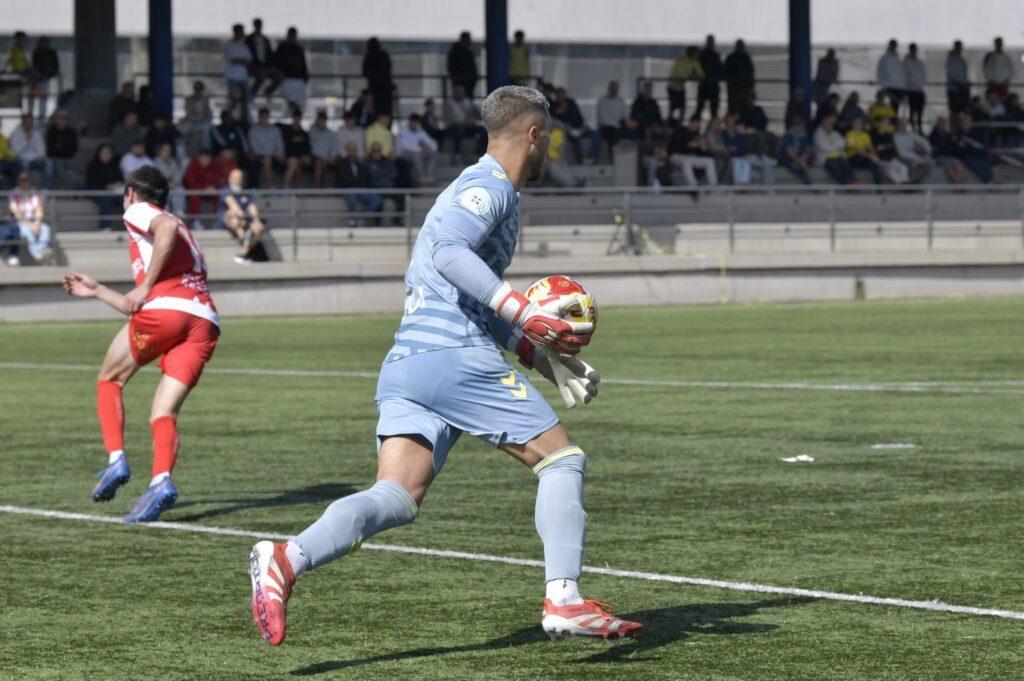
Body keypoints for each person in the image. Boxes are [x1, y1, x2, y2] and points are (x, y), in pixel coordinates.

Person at [247, 84, 640, 646]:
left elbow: (465, 292)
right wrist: (524, 310)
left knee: (396, 497)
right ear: (534, 135)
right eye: (548, 138)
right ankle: (565, 599)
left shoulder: (473, 186)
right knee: (562, 461)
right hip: (453, 355)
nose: (549, 149)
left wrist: (542, 359)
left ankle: (285, 559)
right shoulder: (489, 187)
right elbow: (448, 255)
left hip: (410, 361)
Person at [62, 166, 219, 523]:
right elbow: (140, 303)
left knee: (110, 379)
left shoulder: (141, 211)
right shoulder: (184, 229)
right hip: (204, 321)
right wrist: (98, 290)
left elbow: (164, 232)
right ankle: (161, 481)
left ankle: (116, 459)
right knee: (163, 411)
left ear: (132, 192)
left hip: (167, 311)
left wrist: (146, 285)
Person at [215, 168, 266, 264]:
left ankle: (243, 253)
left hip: (244, 221)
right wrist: (245, 221)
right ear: (229, 178)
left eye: (239, 178)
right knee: (233, 215)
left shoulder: (246, 191)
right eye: (235, 177)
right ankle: (245, 238)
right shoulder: (225, 190)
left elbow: (252, 207)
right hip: (230, 221)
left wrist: (256, 221)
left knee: (260, 227)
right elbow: (234, 206)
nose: (237, 180)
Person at [8, 171, 53, 264]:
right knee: (28, 231)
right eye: (22, 180)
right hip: (19, 222)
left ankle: (42, 251)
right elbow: (16, 213)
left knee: (45, 228)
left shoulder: (35, 192)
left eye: (26, 180)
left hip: (33, 220)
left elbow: (39, 209)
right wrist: (31, 225)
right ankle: (38, 253)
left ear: (29, 181)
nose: (24, 182)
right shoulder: (13, 193)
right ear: (18, 181)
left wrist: (37, 223)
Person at [336, 142, 382, 225]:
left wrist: (362, 165)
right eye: (350, 150)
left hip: (360, 188)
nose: (353, 152)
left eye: (354, 150)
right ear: (346, 151)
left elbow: (364, 178)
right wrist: (357, 180)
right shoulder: (341, 163)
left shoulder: (360, 163)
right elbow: (345, 179)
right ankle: (352, 220)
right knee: (352, 197)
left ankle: (363, 218)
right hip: (348, 188)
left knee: (377, 199)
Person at [551, 87, 601, 164]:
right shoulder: (553, 105)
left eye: (562, 94)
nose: (561, 97)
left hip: (580, 128)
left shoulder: (571, 102)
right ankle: (581, 161)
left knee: (596, 134)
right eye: (559, 95)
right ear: (556, 96)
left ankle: (591, 158)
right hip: (567, 131)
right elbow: (556, 118)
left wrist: (583, 127)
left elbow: (579, 117)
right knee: (575, 139)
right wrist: (567, 127)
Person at [667, 116, 718, 187]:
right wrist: (698, 144)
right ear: (691, 122)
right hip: (675, 156)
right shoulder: (681, 130)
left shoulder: (696, 134)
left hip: (688, 157)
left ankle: (713, 186)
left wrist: (702, 145)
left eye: (698, 124)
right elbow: (687, 144)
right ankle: (693, 185)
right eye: (695, 123)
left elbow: (699, 150)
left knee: (709, 161)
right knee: (687, 161)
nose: (696, 126)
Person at [444, 85, 487, 161]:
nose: (461, 94)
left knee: (484, 130)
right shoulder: (449, 104)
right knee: (459, 128)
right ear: (455, 93)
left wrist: (473, 118)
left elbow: (474, 112)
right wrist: (466, 121)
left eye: (462, 92)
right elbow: (451, 120)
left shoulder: (466, 101)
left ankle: (478, 153)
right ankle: (456, 154)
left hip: (466, 126)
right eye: (459, 92)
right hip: (453, 127)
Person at [85, 144, 123, 229]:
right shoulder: (92, 165)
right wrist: (106, 186)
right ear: (99, 154)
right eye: (104, 153)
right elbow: (91, 182)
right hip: (97, 191)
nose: (106, 155)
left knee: (126, 199)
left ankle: (132, 228)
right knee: (106, 198)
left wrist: (116, 185)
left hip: (114, 191)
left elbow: (120, 179)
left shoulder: (115, 165)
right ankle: (105, 227)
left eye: (108, 153)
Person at [9, 113, 52, 189]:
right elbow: (14, 152)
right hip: (20, 161)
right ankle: (15, 192)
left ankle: (46, 192)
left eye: (30, 123)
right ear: (23, 123)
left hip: (34, 161)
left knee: (48, 163)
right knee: (14, 165)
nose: (28, 125)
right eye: (26, 123)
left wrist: (40, 156)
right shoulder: (16, 134)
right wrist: (25, 140)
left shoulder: (36, 134)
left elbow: (41, 150)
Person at [365, 141, 401, 225]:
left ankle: (396, 222)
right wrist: (382, 173)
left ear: (381, 151)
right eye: (374, 150)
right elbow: (370, 175)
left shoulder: (388, 161)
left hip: (389, 190)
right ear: (371, 151)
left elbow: (394, 174)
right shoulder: (368, 162)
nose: (376, 152)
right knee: (379, 201)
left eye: (378, 150)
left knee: (401, 198)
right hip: (375, 191)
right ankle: (378, 225)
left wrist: (378, 173)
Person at [396, 114, 439, 185]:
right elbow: (406, 146)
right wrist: (421, 150)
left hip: (418, 153)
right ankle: (421, 177)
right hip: (402, 154)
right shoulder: (403, 131)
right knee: (416, 154)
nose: (416, 125)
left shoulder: (420, 131)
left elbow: (433, 144)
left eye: (417, 123)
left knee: (433, 153)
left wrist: (430, 150)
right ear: (410, 122)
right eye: (414, 123)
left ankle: (429, 176)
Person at [248, 107, 286, 188]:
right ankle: (270, 185)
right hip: (259, 156)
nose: (264, 119)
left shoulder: (275, 130)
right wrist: (271, 153)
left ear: (268, 117)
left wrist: (280, 153)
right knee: (267, 159)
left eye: (266, 117)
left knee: (291, 160)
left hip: (275, 156)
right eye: (262, 117)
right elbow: (255, 149)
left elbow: (280, 144)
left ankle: (285, 186)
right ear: (259, 117)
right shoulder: (253, 131)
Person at [182, 150, 221, 226]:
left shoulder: (213, 167)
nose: (206, 160)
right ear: (199, 158)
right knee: (195, 195)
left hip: (209, 192)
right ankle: (196, 221)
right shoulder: (193, 166)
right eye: (203, 158)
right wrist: (203, 189)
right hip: (196, 191)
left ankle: (217, 219)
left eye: (208, 158)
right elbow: (189, 182)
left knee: (218, 194)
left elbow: (216, 180)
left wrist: (212, 187)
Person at [596, 81, 632, 161]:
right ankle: (613, 159)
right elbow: (603, 118)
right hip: (606, 127)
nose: (614, 90)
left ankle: (628, 159)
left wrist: (627, 123)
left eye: (616, 89)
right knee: (613, 134)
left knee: (633, 133)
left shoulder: (621, 100)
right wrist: (616, 125)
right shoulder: (603, 100)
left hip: (619, 126)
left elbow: (625, 115)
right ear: (609, 89)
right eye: (612, 88)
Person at [276, 27, 309, 112]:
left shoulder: (299, 49)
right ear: (287, 35)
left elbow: (303, 64)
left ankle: (297, 115)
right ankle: (291, 114)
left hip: (298, 79)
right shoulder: (282, 48)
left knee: (301, 103)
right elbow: (277, 62)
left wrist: (305, 77)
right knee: (289, 100)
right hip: (287, 78)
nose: (292, 37)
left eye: (294, 35)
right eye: (291, 35)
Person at [667, 46, 703, 122]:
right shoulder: (681, 60)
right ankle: (670, 125)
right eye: (696, 54)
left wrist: (697, 76)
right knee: (672, 108)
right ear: (691, 53)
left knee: (682, 108)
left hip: (681, 88)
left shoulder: (694, 61)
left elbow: (701, 74)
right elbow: (681, 75)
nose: (697, 56)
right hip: (672, 87)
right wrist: (692, 76)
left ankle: (680, 125)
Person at [813, 115, 853, 184]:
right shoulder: (818, 133)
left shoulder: (835, 133)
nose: (829, 125)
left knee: (846, 164)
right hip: (825, 157)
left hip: (837, 155)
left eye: (831, 123)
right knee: (835, 168)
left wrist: (833, 146)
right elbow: (824, 148)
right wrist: (836, 146)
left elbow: (843, 143)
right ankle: (846, 184)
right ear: (823, 123)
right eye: (827, 123)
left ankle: (852, 182)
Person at [45, 108, 79, 189]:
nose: (64, 120)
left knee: (74, 166)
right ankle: (72, 190)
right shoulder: (51, 131)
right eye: (61, 117)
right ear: (56, 119)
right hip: (55, 159)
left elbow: (74, 148)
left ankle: (76, 186)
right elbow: (51, 150)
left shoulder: (71, 132)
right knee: (59, 165)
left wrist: (61, 147)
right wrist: (63, 147)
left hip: (69, 158)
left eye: (66, 118)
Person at [246, 18, 281, 97]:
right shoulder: (249, 39)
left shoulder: (265, 39)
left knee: (279, 75)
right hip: (254, 65)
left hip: (265, 65)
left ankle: (268, 91)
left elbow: (270, 53)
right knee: (261, 76)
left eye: (260, 25)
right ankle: (251, 94)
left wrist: (271, 65)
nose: (259, 27)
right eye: (257, 25)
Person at [954, 115, 993, 184]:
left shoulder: (976, 133)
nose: (966, 124)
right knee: (975, 162)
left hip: (977, 155)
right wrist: (960, 146)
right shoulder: (958, 134)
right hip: (965, 156)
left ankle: (990, 180)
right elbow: (955, 149)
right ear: (961, 123)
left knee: (984, 159)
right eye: (964, 122)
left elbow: (982, 146)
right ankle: (988, 181)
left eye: (968, 122)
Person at [893, 118, 933, 183]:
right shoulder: (895, 136)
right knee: (913, 164)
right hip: (902, 158)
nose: (903, 127)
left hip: (915, 156)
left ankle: (917, 182)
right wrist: (919, 160)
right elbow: (902, 153)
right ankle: (909, 184)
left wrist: (928, 154)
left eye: (905, 125)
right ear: (898, 126)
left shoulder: (911, 134)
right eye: (901, 125)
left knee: (931, 163)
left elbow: (925, 142)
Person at [279, 108, 312, 188]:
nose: (297, 120)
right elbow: (284, 147)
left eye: (299, 118)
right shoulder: (286, 132)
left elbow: (307, 148)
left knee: (298, 162)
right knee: (295, 162)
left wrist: (306, 155)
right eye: (295, 118)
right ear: (293, 118)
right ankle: (285, 186)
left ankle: (298, 187)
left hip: (300, 157)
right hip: (288, 157)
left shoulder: (304, 133)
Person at [870, 118, 909, 184]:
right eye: (885, 123)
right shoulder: (873, 134)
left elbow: (892, 148)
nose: (887, 125)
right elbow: (875, 149)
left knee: (903, 167)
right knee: (891, 171)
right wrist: (884, 147)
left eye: (888, 124)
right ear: (880, 124)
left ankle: (906, 183)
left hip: (890, 159)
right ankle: (903, 186)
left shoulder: (888, 135)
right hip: (880, 160)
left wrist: (883, 147)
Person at [928, 116, 966, 183]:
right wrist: (944, 148)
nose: (943, 125)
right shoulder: (933, 135)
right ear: (938, 124)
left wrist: (955, 143)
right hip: (939, 157)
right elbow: (935, 149)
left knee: (960, 164)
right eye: (941, 123)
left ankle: (957, 181)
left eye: (944, 123)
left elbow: (952, 148)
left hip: (949, 156)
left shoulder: (948, 135)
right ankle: (957, 183)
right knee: (947, 165)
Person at [844, 116, 882, 184]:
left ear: (862, 124)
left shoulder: (865, 135)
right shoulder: (849, 134)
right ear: (852, 124)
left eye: (859, 123)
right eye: (856, 123)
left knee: (875, 165)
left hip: (864, 158)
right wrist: (870, 156)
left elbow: (870, 147)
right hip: (853, 158)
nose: (858, 125)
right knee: (865, 158)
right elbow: (856, 149)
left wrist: (874, 155)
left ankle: (879, 189)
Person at [362, 37, 394, 117]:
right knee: (387, 111)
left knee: (375, 111)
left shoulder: (368, 57)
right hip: (386, 89)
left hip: (374, 89)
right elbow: (389, 68)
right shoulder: (384, 55)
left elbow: (364, 72)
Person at [29, 36, 59, 119]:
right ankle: (29, 116)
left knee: (43, 100)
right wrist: (36, 74)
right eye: (41, 43)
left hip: (46, 79)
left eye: (44, 43)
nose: (42, 45)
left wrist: (46, 75)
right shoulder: (36, 53)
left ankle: (41, 118)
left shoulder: (51, 53)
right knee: (31, 99)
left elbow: (55, 68)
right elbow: (34, 66)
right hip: (35, 80)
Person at [309, 111, 340, 188]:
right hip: (315, 157)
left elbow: (335, 147)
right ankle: (317, 189)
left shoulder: (331, 133)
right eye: (320, 120)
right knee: (319, 163)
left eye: (323, 120)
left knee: (337, 162)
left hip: (328, 158)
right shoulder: (312, 132)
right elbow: (310, 147)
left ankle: (325, 189)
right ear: (317, 120)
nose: (322, 122)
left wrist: (331, 157)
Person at [224, 24, 253, 104]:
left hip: (243, 77)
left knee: (247, 99)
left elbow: (249, 61)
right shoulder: (228, 45)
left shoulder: (243, 45)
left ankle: (246, 115)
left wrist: (240, 61)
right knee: (232, 100)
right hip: (232, 77)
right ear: (236, 32)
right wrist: (243, 61)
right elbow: (233, 60)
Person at [153, 142, 186, 214]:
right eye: (165, 150)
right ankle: (165, 214)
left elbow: (177, 176)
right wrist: (167, 184)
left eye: (169, 150)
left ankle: (179, 211)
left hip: (173, 186)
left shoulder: (173, 162)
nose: (167, 152)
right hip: (161, 187)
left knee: (180, 189)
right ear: (160, 151)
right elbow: (157, 178)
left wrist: (174, 184)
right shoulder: (155, 162)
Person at [778, 118, 813, 184]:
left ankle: (808, 182)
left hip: (800, 158)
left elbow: (809, 148)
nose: (801, 128)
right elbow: (790, 152)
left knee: (812, 157)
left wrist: (804, 156)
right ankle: (808, 184)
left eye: (802, 126)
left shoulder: (804, 135)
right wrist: (800, 161)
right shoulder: (788, 135)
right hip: (788, 160)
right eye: (799, 126)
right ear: (794, 126)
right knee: (798, 167)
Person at [183, 81, 214, 154]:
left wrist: (204, 118)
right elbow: (189, 114)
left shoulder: (205, 99)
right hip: (192, 124)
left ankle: (206, 151)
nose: (198, 91)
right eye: (196, 89)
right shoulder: (189, 99)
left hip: (203, 123)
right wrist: (198, 119)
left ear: (202, 90)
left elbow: (209, 115)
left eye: (200, 89)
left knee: (208, 127)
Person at [723, 40, 754, 115]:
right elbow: (726, 72)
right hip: (734, 88)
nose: (740, 48)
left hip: (744, 88)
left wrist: (750, 87)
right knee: (732, 108)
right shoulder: (731, 58)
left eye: (741, 46)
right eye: (739, 46)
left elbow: (750, 72)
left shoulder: (746, 58)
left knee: (744, 108)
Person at [696, 35, 723, 118]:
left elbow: (720, 70)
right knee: (701, 108)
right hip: (707, 84)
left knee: (712, 110)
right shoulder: (704, 55)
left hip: (711, 85)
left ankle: (712, 128)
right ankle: (695, 128)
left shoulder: (714, 55)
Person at [877, 39, 905, 116]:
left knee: (895, 110)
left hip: (899, 88)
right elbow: (880, 73)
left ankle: (893, 125)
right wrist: (884, 86)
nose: (894, 47)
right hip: (889, 87)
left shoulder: (898, 58)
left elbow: (902, 74)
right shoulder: (884, 58)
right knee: (888, 109)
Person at [447, 31, 479, 98]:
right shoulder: (458, 53)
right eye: (468, 39)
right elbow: (452, 68)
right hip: (463, 83)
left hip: (466, 83)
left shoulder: (457, 52)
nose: (470, 41)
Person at [904, 44, 926, 134]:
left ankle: (920, 130)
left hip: (919, 90)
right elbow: (904, 76)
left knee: (920, 113)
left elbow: (923, 75)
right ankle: (913, 130)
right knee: (912, 112)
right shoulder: (906, 62)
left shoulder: (919, 62)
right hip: (911, 90)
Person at [982, 37, 1014, 101]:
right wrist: (990, 80)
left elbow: (1010, 69)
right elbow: (986, 69)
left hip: (1003, 85)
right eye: (997, 43)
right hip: (993, 84)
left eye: (1000, 43)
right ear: (995, 44)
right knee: (992, 102)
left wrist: (1007, 80)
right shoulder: (990, 57)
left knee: (1003, 101)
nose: (998, 45)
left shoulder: (1006, 57)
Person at [945, 41, 970, 120]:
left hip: (962, 89)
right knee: (954, 111)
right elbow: (952, 74)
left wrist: (965, 83)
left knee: (963, 110)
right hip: (954, 89)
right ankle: (954, 127)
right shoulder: (950, 60)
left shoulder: (962, 59)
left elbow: (964, 74)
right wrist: (961, 83)